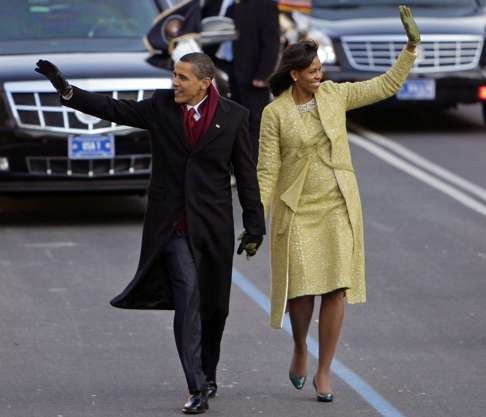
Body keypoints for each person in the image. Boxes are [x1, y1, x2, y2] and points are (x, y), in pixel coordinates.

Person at [34, 52, 265, 414]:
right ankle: (196, 387)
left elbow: (247, 175)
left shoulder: (234, 117)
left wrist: (255, 225)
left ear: (204, 83)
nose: (174, 83)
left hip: (213, 228)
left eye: (183, 78)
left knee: (214, 310)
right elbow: (113, 109)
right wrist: (67, 91)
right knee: (188, 300)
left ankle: (209, 371)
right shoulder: (160, 107)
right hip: (171, 226)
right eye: (174, 75)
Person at [257, 6, 420, 402]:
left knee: (335, 289)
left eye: (321, 68)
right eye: (312, 70)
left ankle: (324, 369)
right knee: (301, 293)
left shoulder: (335, 95)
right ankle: (300, 348)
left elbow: (384, 86)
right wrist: (256, 218)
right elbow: (266, 169)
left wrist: (410, 50)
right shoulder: (274, 113)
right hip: (296, 211)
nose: (320, 74)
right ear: (294, 74)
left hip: (337, 204)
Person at [220, 0, 280, 163]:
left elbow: (271, 42)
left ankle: (254, 166)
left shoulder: (265, 5)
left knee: (255, 122)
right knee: (235, 122)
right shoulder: (232, 6)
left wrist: (264, 75)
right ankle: (238, 164)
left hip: (253, 76)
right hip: (230, 72)